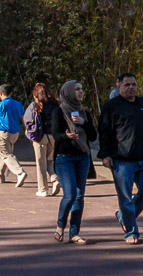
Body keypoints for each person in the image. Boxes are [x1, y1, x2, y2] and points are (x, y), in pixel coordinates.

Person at [99, 72, 143, 244]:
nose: (131, 88)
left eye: (133, 84)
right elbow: (104, 133)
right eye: (127, 85)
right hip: (122, 161)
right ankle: (131, 231)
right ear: (118, 85)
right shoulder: (111, 107)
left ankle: (124, 216)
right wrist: (105, 154)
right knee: (125, 196)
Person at [50, 80, 97, 244]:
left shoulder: (84, 113)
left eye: (82, 89)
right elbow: (55, 134)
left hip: (82, 157)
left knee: (79, 196)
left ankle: (75, 232)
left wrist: (84, 123)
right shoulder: (59, 112)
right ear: (68, 92)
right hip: (65, 158)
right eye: (77, 89)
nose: (80, 92)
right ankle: (60, 226)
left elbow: (93, 136)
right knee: (70, 195)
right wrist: (67, 136)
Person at [0, 83, 27, 188]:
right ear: (11, 93)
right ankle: (0, 176)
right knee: (3, 154)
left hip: (4, 132)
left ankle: (20, 172)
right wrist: (28, 131)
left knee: (5, 154)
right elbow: (23, 119)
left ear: (0, 93)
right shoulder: (18, 105)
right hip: (15, 133)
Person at [23, 83, 60, 197]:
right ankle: (55, 180)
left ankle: (43, 189)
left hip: (40, 138)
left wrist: (29, 134)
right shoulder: (55, 104)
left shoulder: (35, 105)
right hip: (53, 137)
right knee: (49, 161)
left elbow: (26, 120)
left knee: (40, 164)